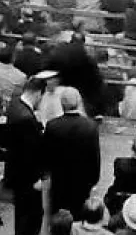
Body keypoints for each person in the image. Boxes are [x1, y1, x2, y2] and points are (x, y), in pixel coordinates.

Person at [43, 86, 101, 220]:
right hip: (82, 184)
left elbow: (46, 157)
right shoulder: (91, 127)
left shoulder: (52, 126)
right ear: (79, 102)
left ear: (62, 104)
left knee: (58, 221)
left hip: (58, 183)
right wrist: (93, 181)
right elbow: (95, 159)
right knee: (78, 219)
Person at [5, 73, 46, 235]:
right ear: (38, 93)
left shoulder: (15, 105)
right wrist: (37, 179)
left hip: (16, 173)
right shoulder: (26, 119)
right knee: (29, 220)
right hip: (27, 179)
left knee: (21, 215)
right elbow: (30, 154)